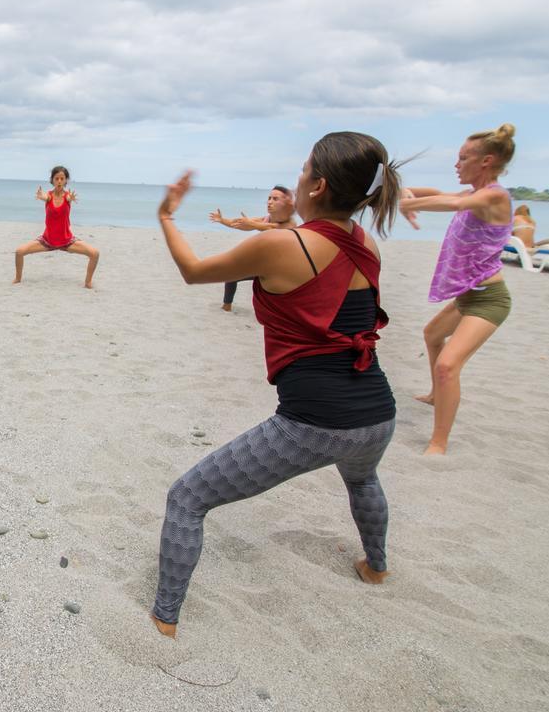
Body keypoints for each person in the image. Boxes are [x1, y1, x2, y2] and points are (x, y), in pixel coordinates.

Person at [150, 132, 402, 639]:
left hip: (314, 423)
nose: (298, 175)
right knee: (361, 479)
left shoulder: (283, 244)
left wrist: (166, 217)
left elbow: (194, 271)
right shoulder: (365, 242)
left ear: (318, 183)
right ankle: (376, 566)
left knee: (187, 499)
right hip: (378, 412)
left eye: (303, 168)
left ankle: (164, 619)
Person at [399, 123, 516, 455]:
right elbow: (436, 193)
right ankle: (437, 394)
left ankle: (439, 441)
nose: (456, 164)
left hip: (489, 301)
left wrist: (412, 206)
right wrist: (405, 194)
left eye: (463, 158)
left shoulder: (494, 195)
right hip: (468, 297)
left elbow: (452, 205)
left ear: (486, 161)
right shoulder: (470, 194)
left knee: (448, 365)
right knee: (432, 334)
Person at [208, 185, 297, 311]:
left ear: (286, 204)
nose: (270, 201)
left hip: (283, 271)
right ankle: (226, 306)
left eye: (275, 199)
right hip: (263, 267)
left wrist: (252, 224)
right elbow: (239, 223)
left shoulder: (290, 223)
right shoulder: (264, 219)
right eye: (269, 198)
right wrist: (222, 220)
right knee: (231, 275)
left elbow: (273, 228)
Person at [13, 166, 100, 288]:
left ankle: (88, 282)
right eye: (56, 178)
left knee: (94, 254)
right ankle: (17, 279)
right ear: (52, 180)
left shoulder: (68, 196)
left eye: (62, 178)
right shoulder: (48, 196)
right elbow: (45, 197)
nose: (59, 181)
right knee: (19, 252)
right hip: (47, 241)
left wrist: (70, 198)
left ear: (66, 180)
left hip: (67, 241)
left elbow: (68, 198)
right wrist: (40, 196)